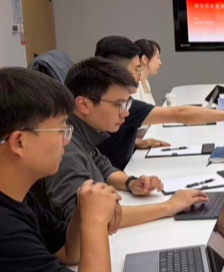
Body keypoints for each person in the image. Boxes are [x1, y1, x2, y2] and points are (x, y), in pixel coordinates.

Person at [0, 68, 121, 272]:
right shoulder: (5, 232)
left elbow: (68, 251)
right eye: (61, 131)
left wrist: (83, 208)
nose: (67, 142)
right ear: (19, 142)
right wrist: (95, 222)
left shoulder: (18, 197)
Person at [42, 58, 209, 227]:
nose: (126, 114)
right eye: (119, 105)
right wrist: (169, 207)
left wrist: (131, 183)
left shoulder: (83, 132)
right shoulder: (66, 149)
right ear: (84, 104)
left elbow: (104, 168)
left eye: (127, 104)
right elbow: (89, 218)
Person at [94, 36, 224, 170]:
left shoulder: (104, 99)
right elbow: (180, 114)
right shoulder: (121, 105)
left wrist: (134, 143)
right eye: (136, 69)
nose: (139, 74)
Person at [133, 38, 161, 105]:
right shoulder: (135, 86)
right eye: (157, 57)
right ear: (145, 59)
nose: (160, 62)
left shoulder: (146, 83)